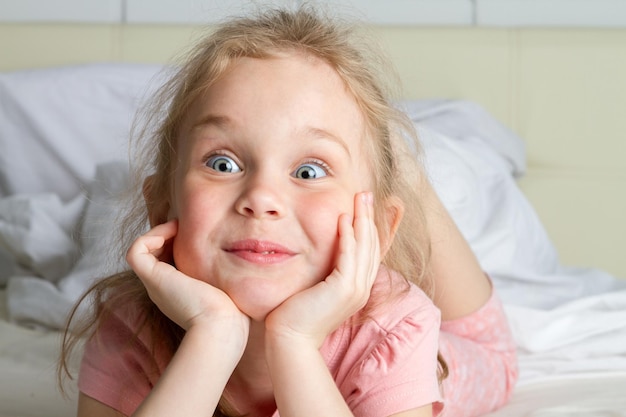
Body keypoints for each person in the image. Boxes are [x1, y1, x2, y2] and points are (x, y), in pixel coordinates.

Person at [60, 6, 518, 417]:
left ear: (379, 230)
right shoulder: (129, 327)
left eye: (308, 170)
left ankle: (398, 166)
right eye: (223, 163)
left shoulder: (396, 327)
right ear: (161, 203)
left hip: (464, 353)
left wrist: (294, 344)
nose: (262, 197)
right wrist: (212, 336)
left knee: (495, 353)